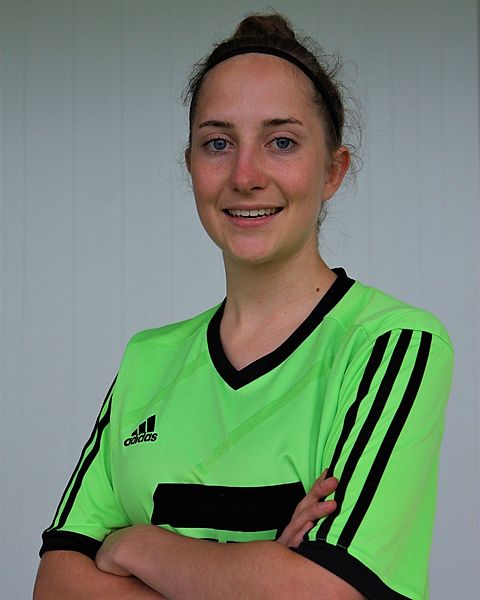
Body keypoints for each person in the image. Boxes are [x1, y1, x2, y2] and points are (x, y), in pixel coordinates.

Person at [34, 13, 453, 600]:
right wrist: (262, 570)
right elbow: (56, 586)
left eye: (281, 142)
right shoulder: (148, 360)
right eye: (217, 143)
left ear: (332, 170)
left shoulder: (391, 345)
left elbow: (330, 595)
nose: (245, 175)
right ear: (190, 165)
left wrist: (138, 546)